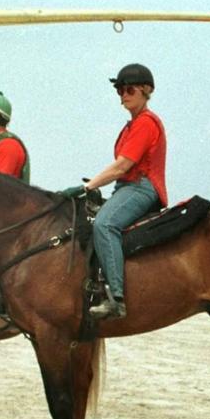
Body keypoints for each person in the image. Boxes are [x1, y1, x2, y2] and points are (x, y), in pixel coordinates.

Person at [63, 63, 167, 320]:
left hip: (141, 188)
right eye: (119, 90)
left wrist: (86, 187)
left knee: (105, 224)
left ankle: (115, 297)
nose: (123, 94)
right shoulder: (130, 126)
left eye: (129, 88)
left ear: (146, 90)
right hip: (125, 188)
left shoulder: (146, 123)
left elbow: (123, 166)